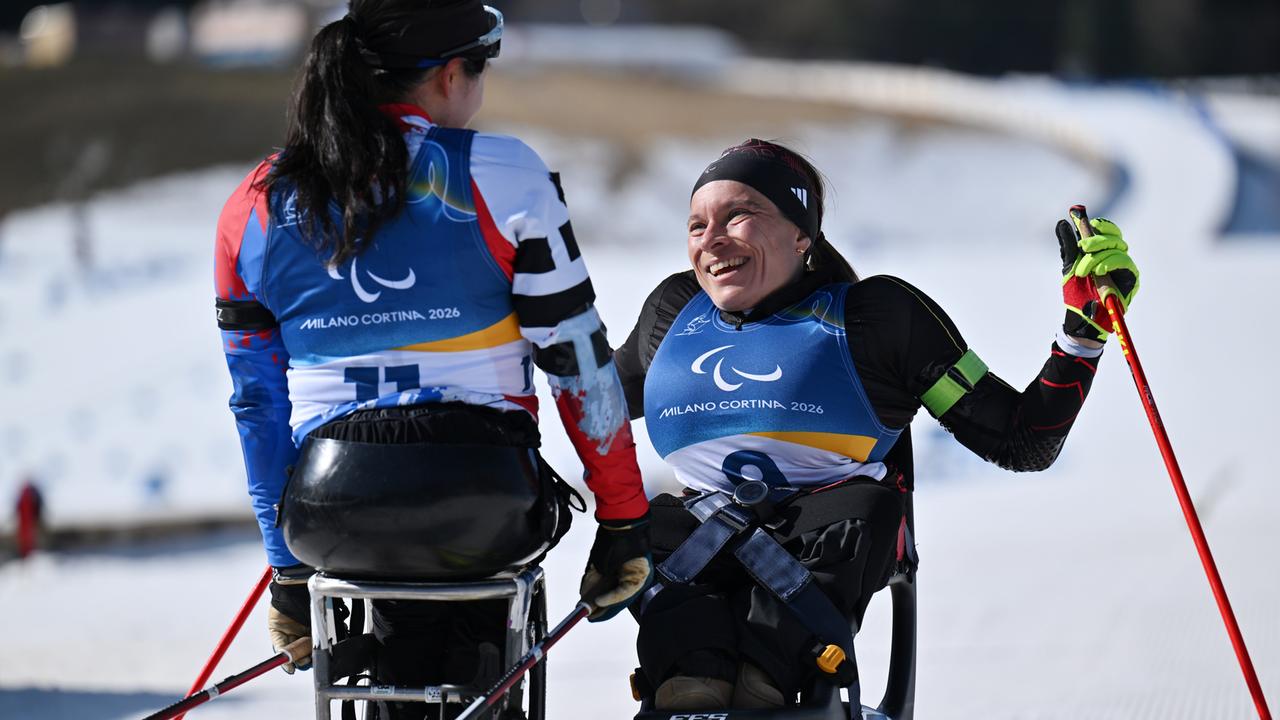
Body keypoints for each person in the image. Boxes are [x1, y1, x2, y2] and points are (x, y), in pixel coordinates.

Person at [213, 1, 651, 714]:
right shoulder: (505, 171)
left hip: (331, 506)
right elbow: (577, 362)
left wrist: (286, 567)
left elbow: (256, 403)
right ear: (452, 75)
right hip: (484, 496)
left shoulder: (252, 204)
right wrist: (624, 518)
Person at [614, 139, 1139, 710]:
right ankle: (691, 687)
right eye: (696, 225)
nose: (711, 240)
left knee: (864, 514)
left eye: (738, 216)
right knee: (650, 542)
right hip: (696, 548)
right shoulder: (673, 312)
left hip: (823, 546)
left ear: (801, 232)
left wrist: (1082, 334)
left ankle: (762, 685)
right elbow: (594, 402)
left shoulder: (875, 320)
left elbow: (1021, 440)